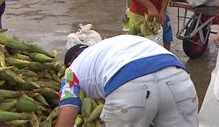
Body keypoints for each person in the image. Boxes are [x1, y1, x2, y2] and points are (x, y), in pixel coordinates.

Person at [56, 35, 198, 127]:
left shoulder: (71, 71)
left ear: (69, 63)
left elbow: (66, 117)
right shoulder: (112, 46)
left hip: (130, 83)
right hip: (178, 76)